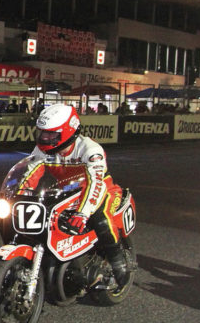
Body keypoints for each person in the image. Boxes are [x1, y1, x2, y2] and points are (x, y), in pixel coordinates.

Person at [20, 104, 133, 286]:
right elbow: (29, 173)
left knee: (101, 218)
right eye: (42, 133)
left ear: (68, 130)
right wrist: (17, 197)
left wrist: (83, 213)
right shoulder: (42, 150)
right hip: (67, 193)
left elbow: (96, 183)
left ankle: (117, 260)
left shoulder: (90, 149)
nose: (44, 138)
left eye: (51, 134)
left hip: (102, 191)